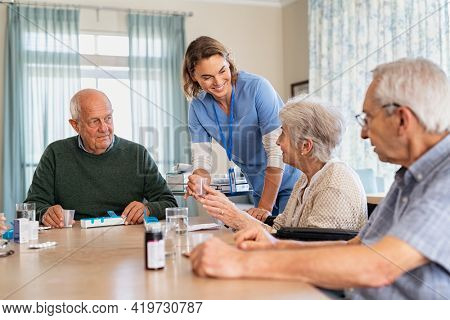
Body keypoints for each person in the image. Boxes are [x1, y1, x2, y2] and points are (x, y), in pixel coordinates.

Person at [190, 58, 450, 299]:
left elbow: (378, 266)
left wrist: (241, 262)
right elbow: (354, 247)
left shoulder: (444, 180)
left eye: (368, 118)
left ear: (402, 120)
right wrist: (273, 246)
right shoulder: (409, 176)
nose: (364, 134)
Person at [199, 96, 367, 232]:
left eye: (283, 134)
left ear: (305, 146)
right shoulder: (305, 180)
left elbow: (308, 251)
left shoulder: (333, 186)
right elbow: (281, 228)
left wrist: (238, 218)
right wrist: (239, 216)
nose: (278, 142)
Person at [25, 89, 177, 228]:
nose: (104, 128)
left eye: (108, 118)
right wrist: (45, 213)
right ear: (75, 125)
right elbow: (32, 205)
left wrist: (148, 209)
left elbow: (170, 203)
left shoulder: (137, 154)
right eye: (94, 121)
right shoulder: (55, 153)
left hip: (124, 240)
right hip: (72, 240)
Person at [182, 36, 300, 216]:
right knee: (260, 242)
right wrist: (199, 179)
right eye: (207, 77)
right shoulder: (198, 107)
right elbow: (202, 161)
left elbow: (276, 153)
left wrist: (264, 209)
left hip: (291, 181)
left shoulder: (258, 88)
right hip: (259, 186)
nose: (218, 81)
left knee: (283, 239)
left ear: (228, 63)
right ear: (194, 76)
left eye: (222, 71)